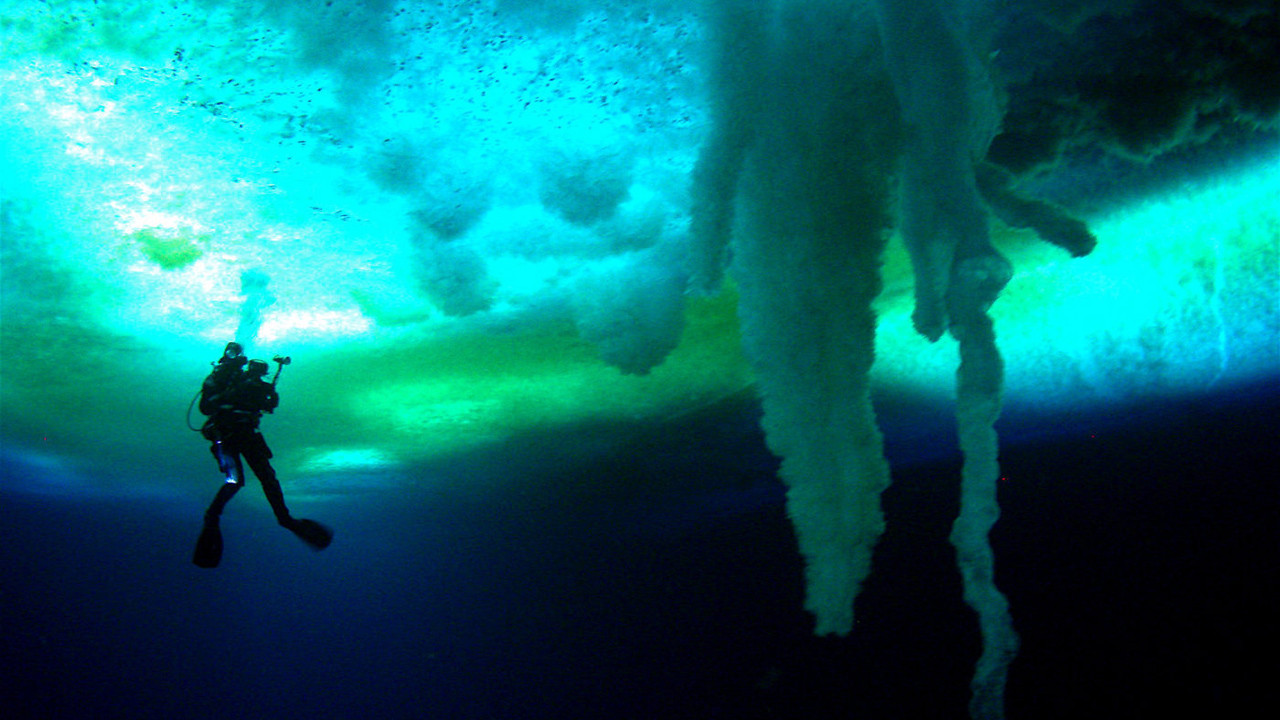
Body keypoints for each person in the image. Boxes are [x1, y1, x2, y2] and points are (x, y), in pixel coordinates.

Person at [193, 342, 331, 568]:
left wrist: (266, 393)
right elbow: (206, 408)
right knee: (236, 481)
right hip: (225, 434)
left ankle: (284, 518)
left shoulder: (250, 383)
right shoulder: (220, 378)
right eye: (232, 353)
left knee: (265, 477)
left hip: (246, 434)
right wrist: (231, 392)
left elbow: (268, 407)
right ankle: (213, 516)